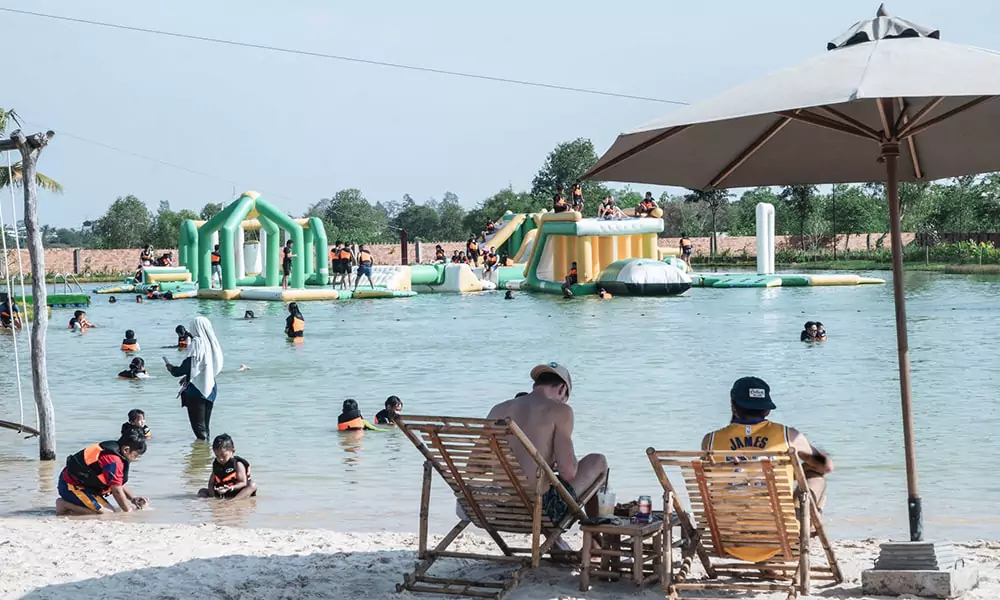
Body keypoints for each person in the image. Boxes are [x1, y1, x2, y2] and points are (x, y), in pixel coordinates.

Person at [485, 363, 608, 525]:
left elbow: (475, 465)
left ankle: (559, 546)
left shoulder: (498, 409)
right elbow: (568, 473)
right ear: (563, 389)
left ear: (535, 385)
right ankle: (595, 538)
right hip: (539, 510)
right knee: (598, 461)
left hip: (499, 507)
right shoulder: (561, 411)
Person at [702, 377, 833, 519]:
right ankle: (803, 522)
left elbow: (709, 474)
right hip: (781, 530)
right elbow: (826, 466)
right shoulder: (788, 436)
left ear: (733, 406)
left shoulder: (710, 441)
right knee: (817, 478)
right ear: (767, 410)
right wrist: (801, 469)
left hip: (726, 528)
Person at [55, 429, 149, 515]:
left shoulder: (117, 454)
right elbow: (116, 490)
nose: (135, 459)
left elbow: (118, 483)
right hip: (70, 486)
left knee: (112, 511)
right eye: (135, 456)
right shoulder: (113, 461)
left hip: (84, 486)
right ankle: (64, 505)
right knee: (106, 513)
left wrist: (133, 499)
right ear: (126, 450)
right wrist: (128, 511)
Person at [164, 316, 224, 441]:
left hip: (197, 390)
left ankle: (202, 455)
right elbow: (204, 366)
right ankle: (208, 451)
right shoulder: (212, 342)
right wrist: (189, 376)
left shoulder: (197, 343)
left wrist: (172, 369)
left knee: (198, 427)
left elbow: (187, 366)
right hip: (211, 386)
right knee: (206, 425)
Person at [198, 434, 257, 500]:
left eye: (223, 456)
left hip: (237, 491)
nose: (220, 459)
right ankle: (209, 502)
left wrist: (231, 488)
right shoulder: (216, 465)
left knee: (252, 485)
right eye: (217, 456)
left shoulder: (238, 464)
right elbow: (211, 483)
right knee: (202, 491)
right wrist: (213, 496)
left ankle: (233, 501)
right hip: (222, 491)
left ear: (233, 452)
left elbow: (243, 483)